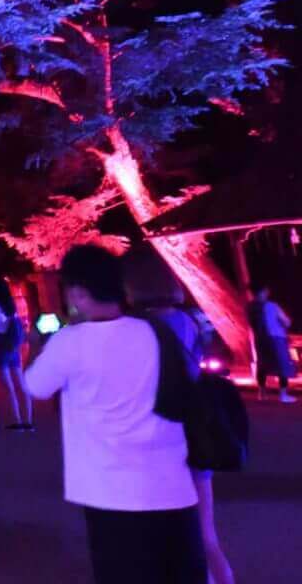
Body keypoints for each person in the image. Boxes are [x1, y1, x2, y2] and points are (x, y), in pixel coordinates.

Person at [25, 245, 203, 584]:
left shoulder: (69, 341)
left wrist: (37, 342)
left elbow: (35, 385)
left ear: (77, 291)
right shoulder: (155, 332)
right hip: (173, 485)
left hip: (110, 492)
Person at [125, 249, 234, 584]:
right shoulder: (188, 320)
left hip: (159, 441)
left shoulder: (136, 328)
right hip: (197, 434)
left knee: (162, 541)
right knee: (206, 537)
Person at [0, 273, 34, 431]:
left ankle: (17, 421)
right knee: (20, 384)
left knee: (8, 387)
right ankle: (28, 421)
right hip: (13, 346)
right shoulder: (11, 305)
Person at [246, 282, 294, 403]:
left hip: (260, 338)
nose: (268, 293)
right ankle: (283, 395)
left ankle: (262, 393)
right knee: (282, 365)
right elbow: (286, 322)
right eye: (266, 290)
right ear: (262, 292)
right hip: (277, 337)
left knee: (262, 365)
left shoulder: (250, 307)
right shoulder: (272, 306)